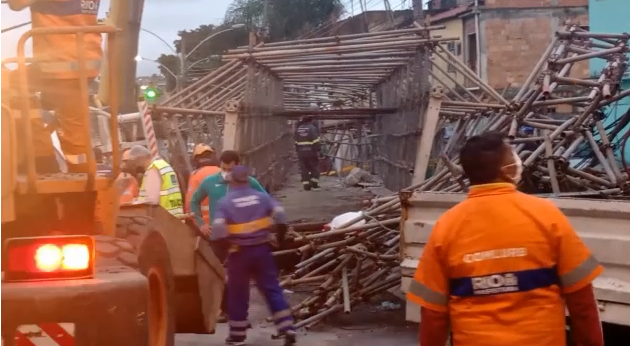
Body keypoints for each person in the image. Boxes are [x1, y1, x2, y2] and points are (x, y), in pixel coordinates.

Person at [406, 131, 604, 346]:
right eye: (513, 156)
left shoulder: (446, 227)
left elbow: (433, 315)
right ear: (505, 170)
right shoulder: (547, 216)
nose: (518, 160)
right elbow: (582, 302)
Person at [8, 0, 103, 173]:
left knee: (73, 128)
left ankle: (78, 174)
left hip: (60, 63)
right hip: (83, 59)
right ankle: (45, 157)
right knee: (15, 83)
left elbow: (16, 3)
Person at [211, 165, 295, 346]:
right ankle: (287, 327)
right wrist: (279, 238)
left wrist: (225, 248)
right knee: (272, 289)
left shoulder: (225, 202)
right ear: (248, 179)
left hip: (238, 253)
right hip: (262, 250)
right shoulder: (262, 198)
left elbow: (218, 230)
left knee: (238, 294)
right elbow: (281, 215)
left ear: (232, 181)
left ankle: (237, 336)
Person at [190, 150, 266, 322]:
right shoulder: (210, 182)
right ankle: (223, 309)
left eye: (230, 169)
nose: (226, 173)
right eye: (223, 169)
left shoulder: (249, 183)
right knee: (216, 273)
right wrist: (201, 224)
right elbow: (194, 202)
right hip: (218, 238)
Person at [127, 145, 184, 217]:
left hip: (163, 219)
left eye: (136, 163)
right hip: (174, 216)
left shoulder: (153, 169)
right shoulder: (164, 165)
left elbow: (151, 200)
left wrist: (135, 204)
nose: (136, 166)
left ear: (141, 158)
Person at [185, 143, 221, 226]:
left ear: (196, 159)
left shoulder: (196, 175)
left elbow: (190, 203)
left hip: (206, 224)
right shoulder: (222, 172)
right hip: (226, 221)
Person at [294, 114, 321, 191]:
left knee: (304, 168)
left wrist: (297, 151)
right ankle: (314, 183)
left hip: (301, 153)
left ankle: (306, 185)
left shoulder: (298, 129)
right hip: (311, 152)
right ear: (310, 120)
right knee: (315, 167)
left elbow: (296, 142)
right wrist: (318, 150)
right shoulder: (312, 128)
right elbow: (316, 141)